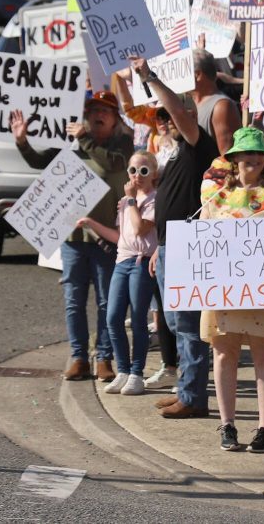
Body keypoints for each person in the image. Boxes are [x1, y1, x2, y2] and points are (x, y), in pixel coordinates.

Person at [9, 93, 133, 381]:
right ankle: (79, 357)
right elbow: (38, 162)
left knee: (106, 301)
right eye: (92, 111)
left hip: (107, 239)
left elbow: (114, 164)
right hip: (74, 238)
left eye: (105, 111)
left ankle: (104, 357)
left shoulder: (122, 145)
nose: (97, 115)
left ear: (115, 119)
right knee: (74, 300)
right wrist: (21, 140)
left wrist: (86, 140)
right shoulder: (70, 145)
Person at [202, 128, 264, 452]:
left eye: (260, 152)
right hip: (224, 286)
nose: (253, 157)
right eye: (246, 152)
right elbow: (201, 231)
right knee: (223, 353)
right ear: (232, 158)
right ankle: (227, 424)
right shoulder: (214, 195)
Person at [132, 57, 220, 419]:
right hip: (172, 246)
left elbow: (182, 116)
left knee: (186, 322)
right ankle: (187, 388)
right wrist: (160, 250)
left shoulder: (200, 142)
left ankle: (194, 397)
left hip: (189, 245)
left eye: (171, 116)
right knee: (174, 321)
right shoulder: (177, 154)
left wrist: (151, 77)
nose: (166, 122)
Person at [77, 151, 159, 396]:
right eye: (133, 170)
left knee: (138, 319)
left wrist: (132, 201)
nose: (137, 176)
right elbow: (120, 236)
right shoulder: (125, 202)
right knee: (112, 317)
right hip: (122, 260)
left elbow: (141, 228)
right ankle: (122, 370)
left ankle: (136, 373)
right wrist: (92, 223)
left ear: (154, 174)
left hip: (141, 262)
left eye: (144, 171)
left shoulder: (154, 200)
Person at [191, 48, 239, 154]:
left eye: (184, 71)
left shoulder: (222, 106)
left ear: (197, 74)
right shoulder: (188, 103)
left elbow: (228, 159)